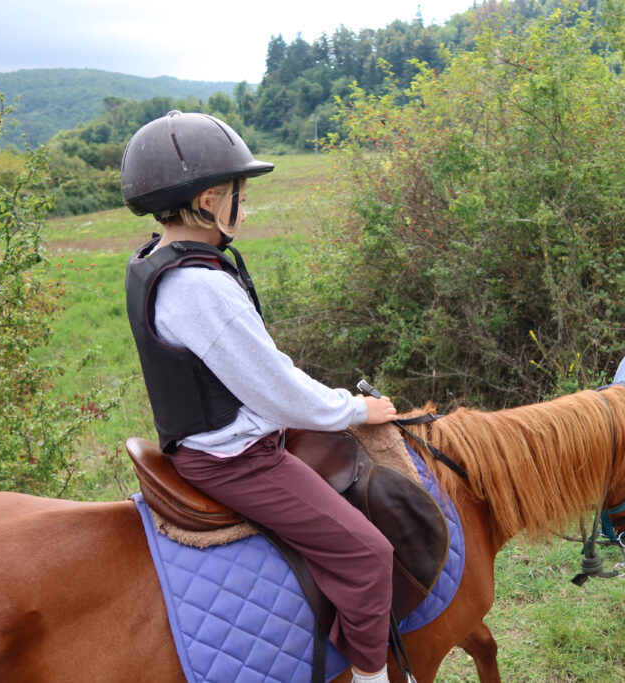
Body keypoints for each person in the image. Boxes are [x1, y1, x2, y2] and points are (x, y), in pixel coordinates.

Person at [121, 110, 397, 683]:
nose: (244, 208)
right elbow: (276, 390)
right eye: (238, 195)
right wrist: (356, 408)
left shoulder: (155, 260)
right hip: (235, 459)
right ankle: (371, 677)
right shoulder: (199, 286)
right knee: (369, 557)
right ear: (208, 199)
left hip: (207, 440)